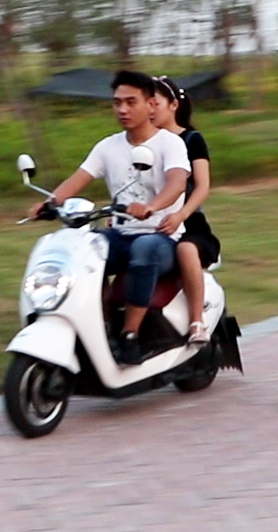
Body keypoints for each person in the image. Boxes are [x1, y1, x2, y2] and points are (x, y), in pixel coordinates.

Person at [27, 70, 190, 363]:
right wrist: (50, 203)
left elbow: (177, 183)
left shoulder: (170, 143)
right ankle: (99, 328)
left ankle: (130, 335)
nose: (122, 109)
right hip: (121, 234)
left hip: (162, 237)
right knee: (83, 249)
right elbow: (80, 178)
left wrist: (152, 206)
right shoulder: (108, 146)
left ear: (151, 104)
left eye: (131, 102)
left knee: (144, 250)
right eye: (117, 103)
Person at [150, 76, 220, 345]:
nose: (150, 109)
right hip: (148, 223)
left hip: (189, 225)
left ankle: (197, 322)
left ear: (173, 105)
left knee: (186, 249)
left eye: (155, 102)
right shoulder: (142, 142)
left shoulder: (192, 140)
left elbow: (202, 187)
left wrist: (181, 215)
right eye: (146, 103)